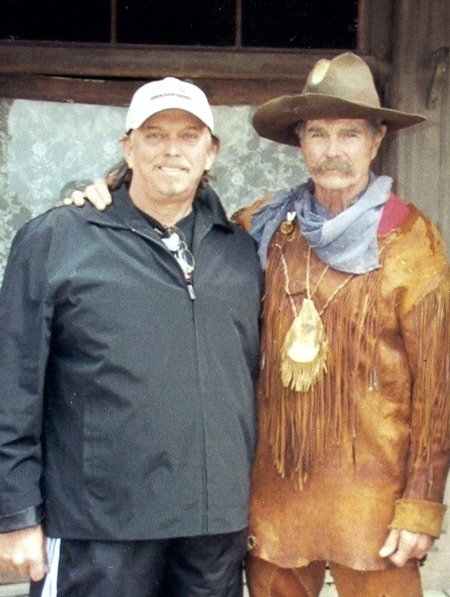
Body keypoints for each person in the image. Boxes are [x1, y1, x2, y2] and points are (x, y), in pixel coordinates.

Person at [73, 53, 449, 597]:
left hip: (373, 503)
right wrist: (110, 192)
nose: (333, 149)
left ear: (377, 139)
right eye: (317, 133)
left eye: (349, 133)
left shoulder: (413, 241)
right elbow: (176, 215)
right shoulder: (263, 226)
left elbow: (436, 391)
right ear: (300, 141)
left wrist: (422, 504)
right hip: (276, 498)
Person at [0, 76, 263, 596]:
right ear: (128, 146)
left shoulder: (240, 252)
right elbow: (13, 387)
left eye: (189, 137)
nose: (172, 150)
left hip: (212, 533)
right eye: (154, 134)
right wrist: (15, 513)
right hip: (100, 531)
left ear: (211, 153)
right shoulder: (58, 240)